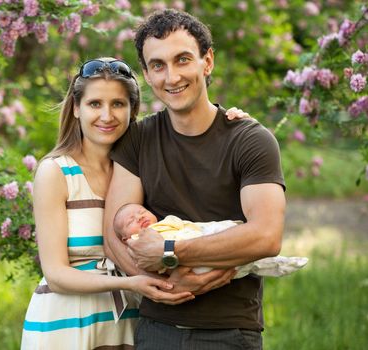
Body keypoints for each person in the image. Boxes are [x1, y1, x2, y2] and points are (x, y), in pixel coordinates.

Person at [20, 57, 251, 349]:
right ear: (76, 108)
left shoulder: (141, 166)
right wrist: (128, 283)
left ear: (132, 110)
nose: (107, 115)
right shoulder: (56, 172)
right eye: (95, 104)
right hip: (68, 324)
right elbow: (56, 275)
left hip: (128, 323)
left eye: (118, 104)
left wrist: (230, 125)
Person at [103, 9, 286, 350]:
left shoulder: (251, 140)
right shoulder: (137, 140)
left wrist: (172, 251)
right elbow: (113, 234)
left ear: (208, 61)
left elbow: (266, 236)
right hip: (156, 329)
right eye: (158, 65)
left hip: (229, 332)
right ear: (146, 73)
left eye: (183, 59)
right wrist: (166, 284)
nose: (171, 77)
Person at [113, 203, 307, 278]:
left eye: (141, 212)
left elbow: (193, 227)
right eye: (131, 220)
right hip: (188, 267)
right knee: (236, 266)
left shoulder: (166, 222)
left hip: (199, 238)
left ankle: (265, 260)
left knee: (225, 234)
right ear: (125, 238)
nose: (139, 217)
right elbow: (148, 259)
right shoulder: (136, 241)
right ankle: (269, 264)